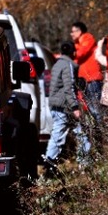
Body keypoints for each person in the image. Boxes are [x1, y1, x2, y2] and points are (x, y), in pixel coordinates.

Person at [43, 42, 92, 170]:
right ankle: (49, 163)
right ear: (73, 53)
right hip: (64, 107)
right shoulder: (67, 65)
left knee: (80, 132)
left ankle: (85, 163)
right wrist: (75, 107)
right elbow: (68, 88)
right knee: (60, 135)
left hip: (57, 104)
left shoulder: (57, 64)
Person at [71, 21, 103, 124]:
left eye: (73, 31)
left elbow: (81, 53)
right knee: (89, 109)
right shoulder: (77, 44)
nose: (71, 34)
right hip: (84, 81)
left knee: (95, 109)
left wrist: (72, 52)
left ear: (80, 31)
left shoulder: (88, 39)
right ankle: (98, 132)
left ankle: (104, 132)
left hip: (92, 79)